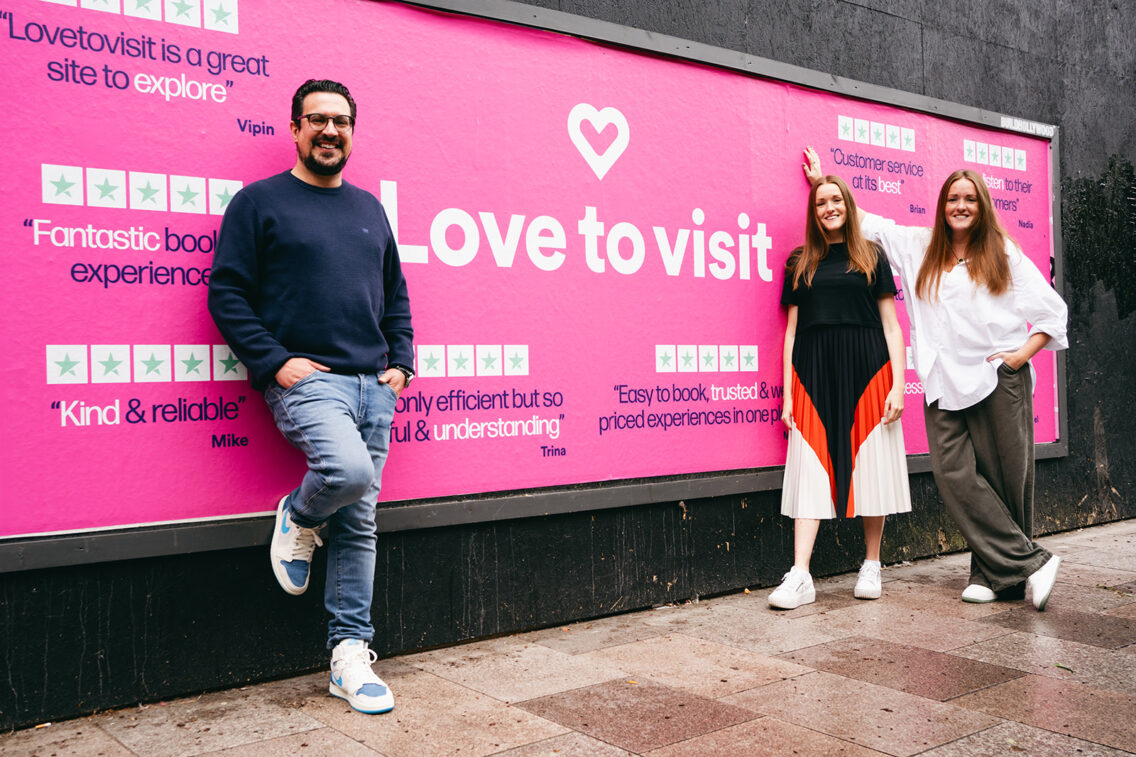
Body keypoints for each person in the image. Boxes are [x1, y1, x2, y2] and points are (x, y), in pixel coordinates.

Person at [208, 79, 414, 713]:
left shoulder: (369, 208)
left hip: (374, 385)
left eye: (341, 121)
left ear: (352, 131)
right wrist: (276, 363)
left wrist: (402, 364)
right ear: (295, 128)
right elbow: (227, 294)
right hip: (310, 381)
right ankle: (298, 516)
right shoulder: (259, 202)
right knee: (347, 475)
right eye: (317, 120)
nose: (330, 131)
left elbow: (395, 293)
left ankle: (349, 655)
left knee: (359, 520)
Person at [802, 147, 1067, 610]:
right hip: (943, 382)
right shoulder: (921, 246)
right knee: (953, 475)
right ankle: (1031, 563)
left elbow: (1052, 313)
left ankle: (996, 577)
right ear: (942, 206)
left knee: (1005, 479)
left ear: (982, 206)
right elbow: (869, 223)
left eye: (969, 199)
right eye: (952, 199)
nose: (960, 206)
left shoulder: (1002, 253)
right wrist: (824, 182)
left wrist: (1018, 358)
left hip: (996, 379)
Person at [770, 174, 911, 610]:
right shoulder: (800, 262)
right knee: (809, 466)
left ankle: (871, 563)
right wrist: (788, 395)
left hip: (870, 370)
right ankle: (800, 574)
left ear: (849, 205)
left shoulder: (872, 254)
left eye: (836, 200)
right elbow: (791, 332)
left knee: (871, 464)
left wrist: (899, 385)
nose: (829, 208)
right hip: (813, 372)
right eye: (820, 203)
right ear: (813, 212)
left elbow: (892, 325)